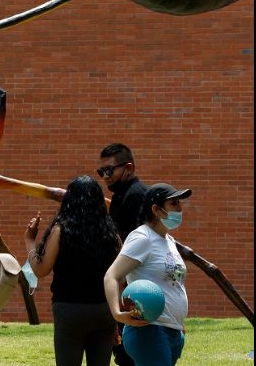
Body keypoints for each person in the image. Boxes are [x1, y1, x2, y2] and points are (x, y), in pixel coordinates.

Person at [23, 175, 121, 366]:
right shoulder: (111, 233)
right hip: (104, 310)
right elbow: (122, 275)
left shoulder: (61, 230)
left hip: (69, 311)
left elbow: (40, 270)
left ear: (69, 201)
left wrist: (30, 241)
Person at [104, 183, 191, 366]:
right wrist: (117, 313)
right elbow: (111, 276)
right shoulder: (143, 238)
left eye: (179, 203)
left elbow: (171, 284)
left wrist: (177, 322)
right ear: (156, 210)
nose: (180, 208)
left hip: (172, 330)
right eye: (174, 203)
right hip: (149, 331)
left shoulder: (169, 240)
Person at [97, 143, 147, 366]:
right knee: (124, 352)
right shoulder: (120, 196)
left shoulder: (136, 195)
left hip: (134, 284)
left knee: (131, 353)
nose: (105, 177)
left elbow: (135, 244)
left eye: (109, 170)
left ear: (129, 168)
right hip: (124, 282)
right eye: (101, 171)